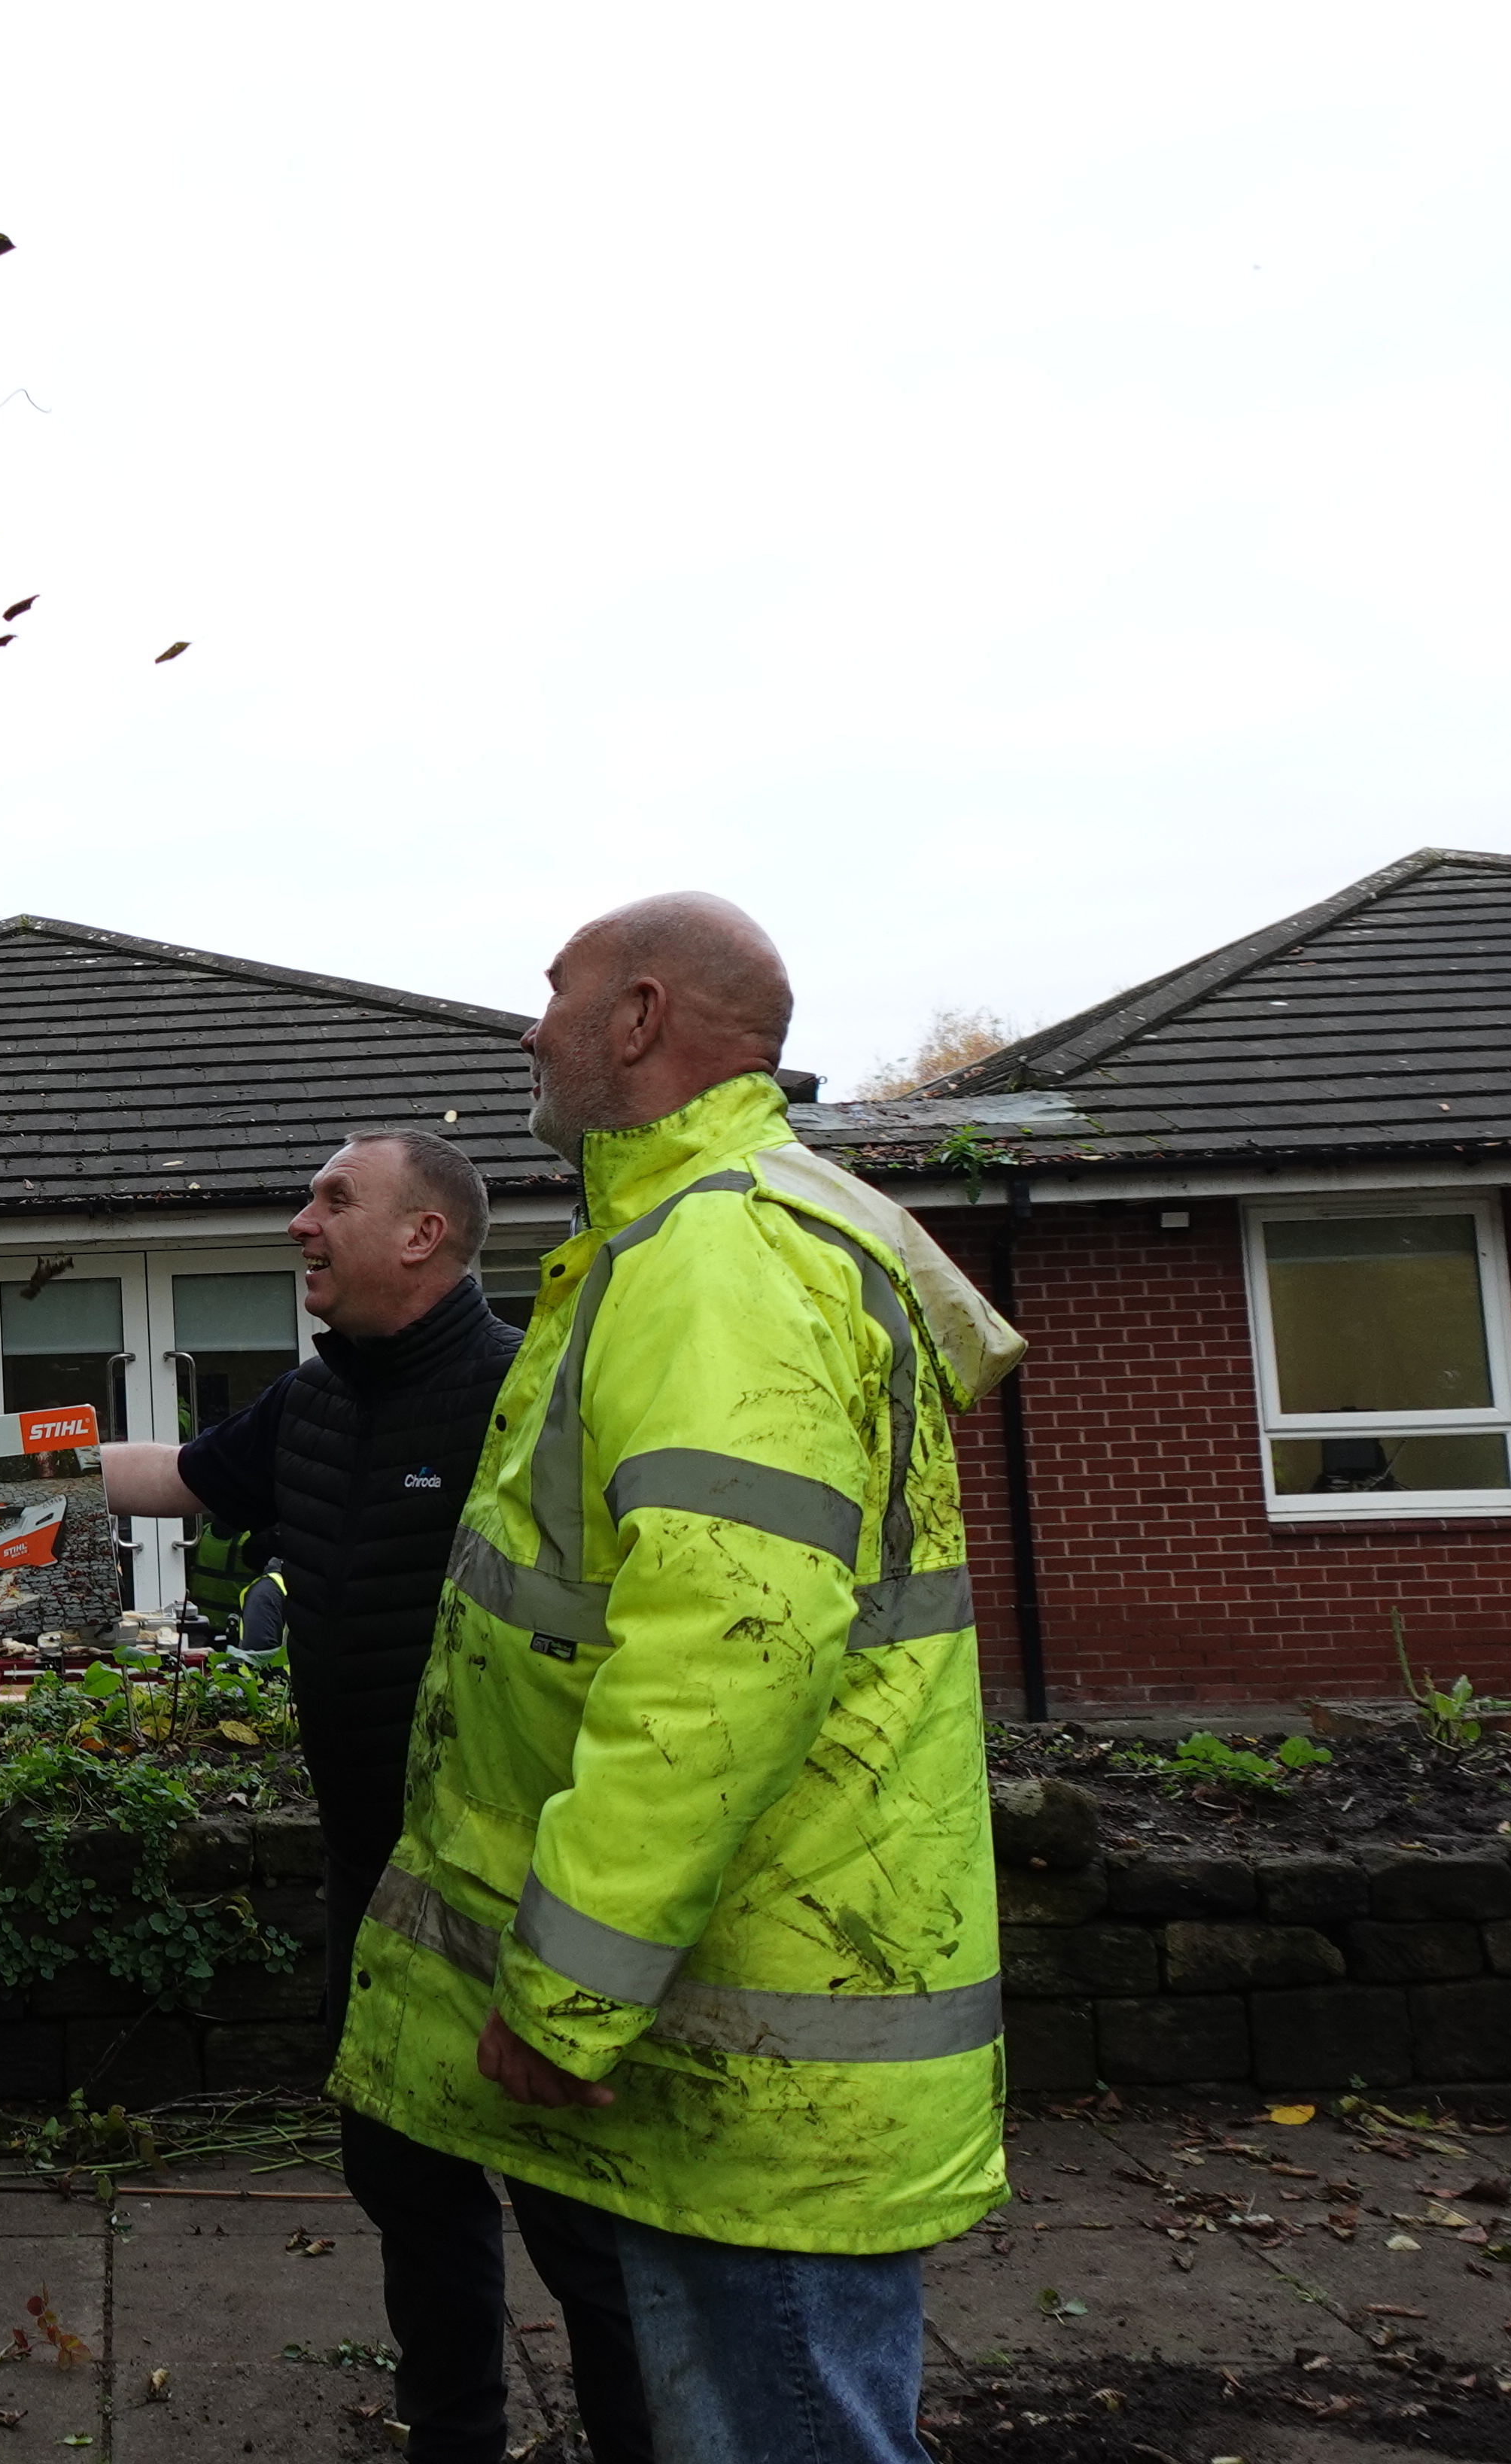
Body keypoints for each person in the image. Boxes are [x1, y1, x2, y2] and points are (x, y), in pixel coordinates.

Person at [335, 895, 1024, 2464]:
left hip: (757, 2049)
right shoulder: (722, 1227)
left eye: (555, 993)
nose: (529, 1028)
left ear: (640, 1019)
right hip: (749, 2020)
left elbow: (726, 1658)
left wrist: (568, 1991)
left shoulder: (717, 1255)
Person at [102, 1132, 646, 2464]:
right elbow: (178, 1474)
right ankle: (450, 2439)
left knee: (581, 2219)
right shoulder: (315, 1400)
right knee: (405, 2182)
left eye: (331, 1199)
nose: (299, 1223)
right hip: (372, 1872)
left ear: (423, 1235)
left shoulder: (530, 1396)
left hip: (519, 1884)